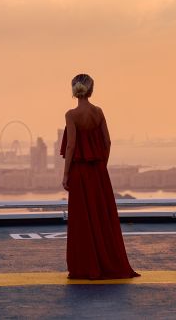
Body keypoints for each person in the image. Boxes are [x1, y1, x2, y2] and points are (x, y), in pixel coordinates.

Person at [60, 73, 140, 280]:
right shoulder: (99, 112)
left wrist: (66, 174)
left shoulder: (71, 115)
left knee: (82, 220)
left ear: (73, 90)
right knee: (102, 216)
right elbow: (108, 142)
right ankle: (109, 263)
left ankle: (86, 267)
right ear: (91, 89)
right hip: (99, 172)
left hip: (79, 173)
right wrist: (102, 165)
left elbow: (71, 146)